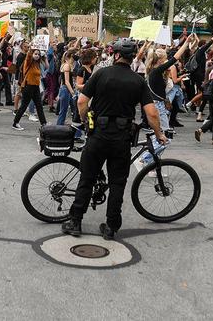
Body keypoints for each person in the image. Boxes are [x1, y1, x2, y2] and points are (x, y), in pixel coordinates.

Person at [62, 38, 168, 241]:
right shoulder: (138, 81)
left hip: (98, 135)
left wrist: (85, 121)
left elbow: (82, 101)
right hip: (121, 138)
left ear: (116, 55)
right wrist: (159, 134)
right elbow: (152, 113)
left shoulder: (101, 73)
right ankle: (111, 226)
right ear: (130, 58)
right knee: (117, 183)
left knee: (87, 178)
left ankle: (75, 221)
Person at [12, 46, 48, 130]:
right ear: (31, 54)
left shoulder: (37, 64)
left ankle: (44, 124)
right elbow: (28, 56)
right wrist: (31, 48)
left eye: (38, 54)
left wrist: (44, 57)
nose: (37, 56)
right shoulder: (28, 62)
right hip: (28, 86)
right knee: (24, 106)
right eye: (35, 54)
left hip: (35, 87)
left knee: (39, 106)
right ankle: (15, 123)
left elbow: (47, 67)